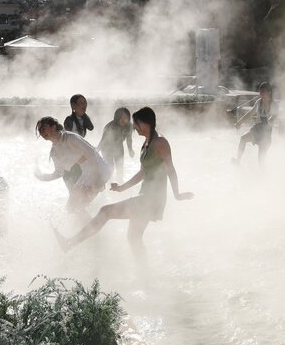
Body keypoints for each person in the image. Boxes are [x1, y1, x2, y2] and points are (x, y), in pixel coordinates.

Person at [56, 107, 193, 257]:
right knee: (133, 238)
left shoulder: (160, 142)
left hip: (152, 199)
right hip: (146, 196)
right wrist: (121, 188)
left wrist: (177, 194)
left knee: (105, 211)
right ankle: (144, 275)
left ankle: (70, 243)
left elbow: (170, 169)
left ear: (145, 123)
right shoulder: (146, 143)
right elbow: (143, 173)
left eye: (136, 123)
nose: (133, 127)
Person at [34, 116, 111, 212]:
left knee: (78, 208)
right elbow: (59, 172)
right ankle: (89, 225)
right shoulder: (54, 151)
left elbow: (91, 154)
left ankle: (96, 223)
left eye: (43, 128)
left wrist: (98, 179)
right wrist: (43, 177)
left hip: (99, 169)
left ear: (53, 127)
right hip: (87, 173)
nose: (42, 132)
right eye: (40, 131)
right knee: (70, 209)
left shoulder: (70, 138)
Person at [234, 81, 277, 167]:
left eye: (263, 92)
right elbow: (250, 113)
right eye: (260, 92)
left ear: (269, 92)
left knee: (260, 162)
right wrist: (240, 122)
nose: (261, 94)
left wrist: (269, 120)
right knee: (243, 139)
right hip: (257, 129)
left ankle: (263, 176)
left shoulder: (274, 105)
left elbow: (274, 117)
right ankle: (237, 161)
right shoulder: (258, 102)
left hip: (266, 134)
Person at [97, 106, 135, 178]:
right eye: (121, 117)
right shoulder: (111, 127)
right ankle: (108, 184)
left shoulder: (129, 126)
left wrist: (130, 149)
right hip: (106, 148)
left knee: (120, 168)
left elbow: (129, 139)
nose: (123, 120)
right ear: (117, 118)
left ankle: (120, 184)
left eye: (126, 117)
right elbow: (103, 140)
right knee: (110, 168)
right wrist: (96, 151)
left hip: (119, 146)